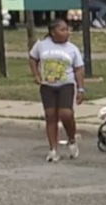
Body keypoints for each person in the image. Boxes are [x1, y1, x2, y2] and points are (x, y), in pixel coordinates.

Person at [28, 19, 85, 162]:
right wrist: (36, 74)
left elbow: (78, 69)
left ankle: (72, 138)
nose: (67, 32)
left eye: (67, 29)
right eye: (63, 30)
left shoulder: (72, 48)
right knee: (50, 115)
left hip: (66, 85)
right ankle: (53, 150)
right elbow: (33, 58)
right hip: (47, 86)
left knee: (65, 113)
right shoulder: (41, 45)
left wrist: (80, 88)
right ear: (53, 32)